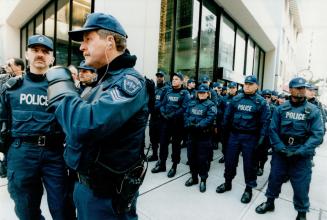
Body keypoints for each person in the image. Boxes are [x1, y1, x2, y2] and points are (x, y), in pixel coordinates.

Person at [45, 12, 149, 219]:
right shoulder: (103, 80)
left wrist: (60, 84)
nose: (82, 47)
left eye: (88, 39)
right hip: (88, 186)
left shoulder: (130, 82)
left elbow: (84, 123)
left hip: (105, 195)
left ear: (109, 41)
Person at [0, 34, 70, 219]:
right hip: (21, 152)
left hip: (55, 153)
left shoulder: (63, 88)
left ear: (52, 58)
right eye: (35, 50)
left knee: (63, 208)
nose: (40, 54)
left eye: (45, 51)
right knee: (26, 210)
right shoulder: (11, 88)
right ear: (27, 54)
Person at [255, 77, 324, 220]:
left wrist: (301, 151)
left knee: (301, 186)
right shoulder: (281, 109)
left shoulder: (313, 111)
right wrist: (280, 147)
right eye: (298, 88)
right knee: (274, 179)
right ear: (291, 89)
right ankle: (270, 203)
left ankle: (301, 213)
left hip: (301, 154)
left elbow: (317, 135)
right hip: (281, 152)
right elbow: (273, 129)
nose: (301, 90)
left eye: (303, 88)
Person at [216, 75, 270, 204]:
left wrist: (261, 140)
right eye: (246, 83)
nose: (247, 86)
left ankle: (248, 189)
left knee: (249, 165)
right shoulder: (236, 99)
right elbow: (227, 118)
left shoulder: (261, 102)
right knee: (229, 162)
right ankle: (227, 183)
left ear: (257, 86)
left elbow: (265, 123)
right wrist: (224, 136)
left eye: (250, 84)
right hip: (234, 136)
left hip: (250, 137)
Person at [151, 72, 190, 178]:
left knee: (175, 146)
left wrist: (172, 115)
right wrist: (163, 113)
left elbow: (184, 108)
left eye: (176, 79)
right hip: (165, 122)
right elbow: (162, 104)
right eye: (173, 79)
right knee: (163, 144)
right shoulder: (168, 91)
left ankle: (174, 166)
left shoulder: (185, 93)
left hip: (177, 124)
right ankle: (162, 164)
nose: (174, 80)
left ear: (181, 81)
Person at [184, 84, 217, 192]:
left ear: (208, 93)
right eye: (200, 92)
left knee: (202, 159)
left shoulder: (211, 105)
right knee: (191, 157)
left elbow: (210, 118)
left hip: (204, 136)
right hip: (192, 135)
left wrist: (198, 125)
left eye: (204, 93)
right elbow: (186, 114)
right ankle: (194, 178)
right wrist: (189, 123)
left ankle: (203, 179)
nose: (201, 94)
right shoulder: (192, 103)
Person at [147, 70, 167, 162]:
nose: (159, 78)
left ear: (164, 77)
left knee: (162, 139)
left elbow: (164, 103)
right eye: (158, 76)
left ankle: (161, 158)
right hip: (153, 117)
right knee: (153, 137)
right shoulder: (154, 89)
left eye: (161, 76)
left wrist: (154, 108)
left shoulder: (167, 89)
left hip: (161, 118)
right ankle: (154, 155)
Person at [219, 81, 238, 163]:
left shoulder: (239, 99)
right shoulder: (224, 99)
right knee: (224, 141)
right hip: (225, 125)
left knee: (234, 143)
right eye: (230, 88)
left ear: (236, 89)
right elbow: (220, 111)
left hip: (235, 126)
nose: (231, 89)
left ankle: (232, 157)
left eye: (233, 88)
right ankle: (224, 155)